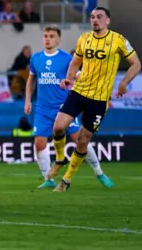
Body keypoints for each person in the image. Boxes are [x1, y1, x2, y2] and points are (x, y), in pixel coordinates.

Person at [49, 7, 140, 192]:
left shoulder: (118, 40)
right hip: (79, 91)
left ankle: (66, 180)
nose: (95, 20)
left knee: (83, 139)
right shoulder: (84, 38)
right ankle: (60, 159)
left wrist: (124, 82)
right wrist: (69, 77)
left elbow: (136, 63)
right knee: (58, 126)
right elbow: (75, 62)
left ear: (108, 20)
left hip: (99, 99)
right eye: (92, 17)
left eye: (99, 17)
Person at [24, 26, 113, 188]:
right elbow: (31, 80)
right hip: (43, 109)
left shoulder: (66, 59)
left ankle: (99, 172)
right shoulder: (36, 58)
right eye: (45, 36)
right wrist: (28, 100)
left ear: (58, 39)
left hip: (63, 108)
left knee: (79, 139)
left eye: (51, 36)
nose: (47, 38)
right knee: (39, 143)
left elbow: (79, 76)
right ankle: (48, 179)